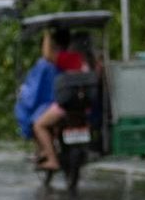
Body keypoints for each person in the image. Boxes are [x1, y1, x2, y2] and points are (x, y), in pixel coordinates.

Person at [15, 27, 95, 169]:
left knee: (38, 125)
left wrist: (46, 33)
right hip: (86, 107)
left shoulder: (68, 59)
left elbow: (47, 55)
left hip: (66, 106)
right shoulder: (89, 61)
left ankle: (52, 160)